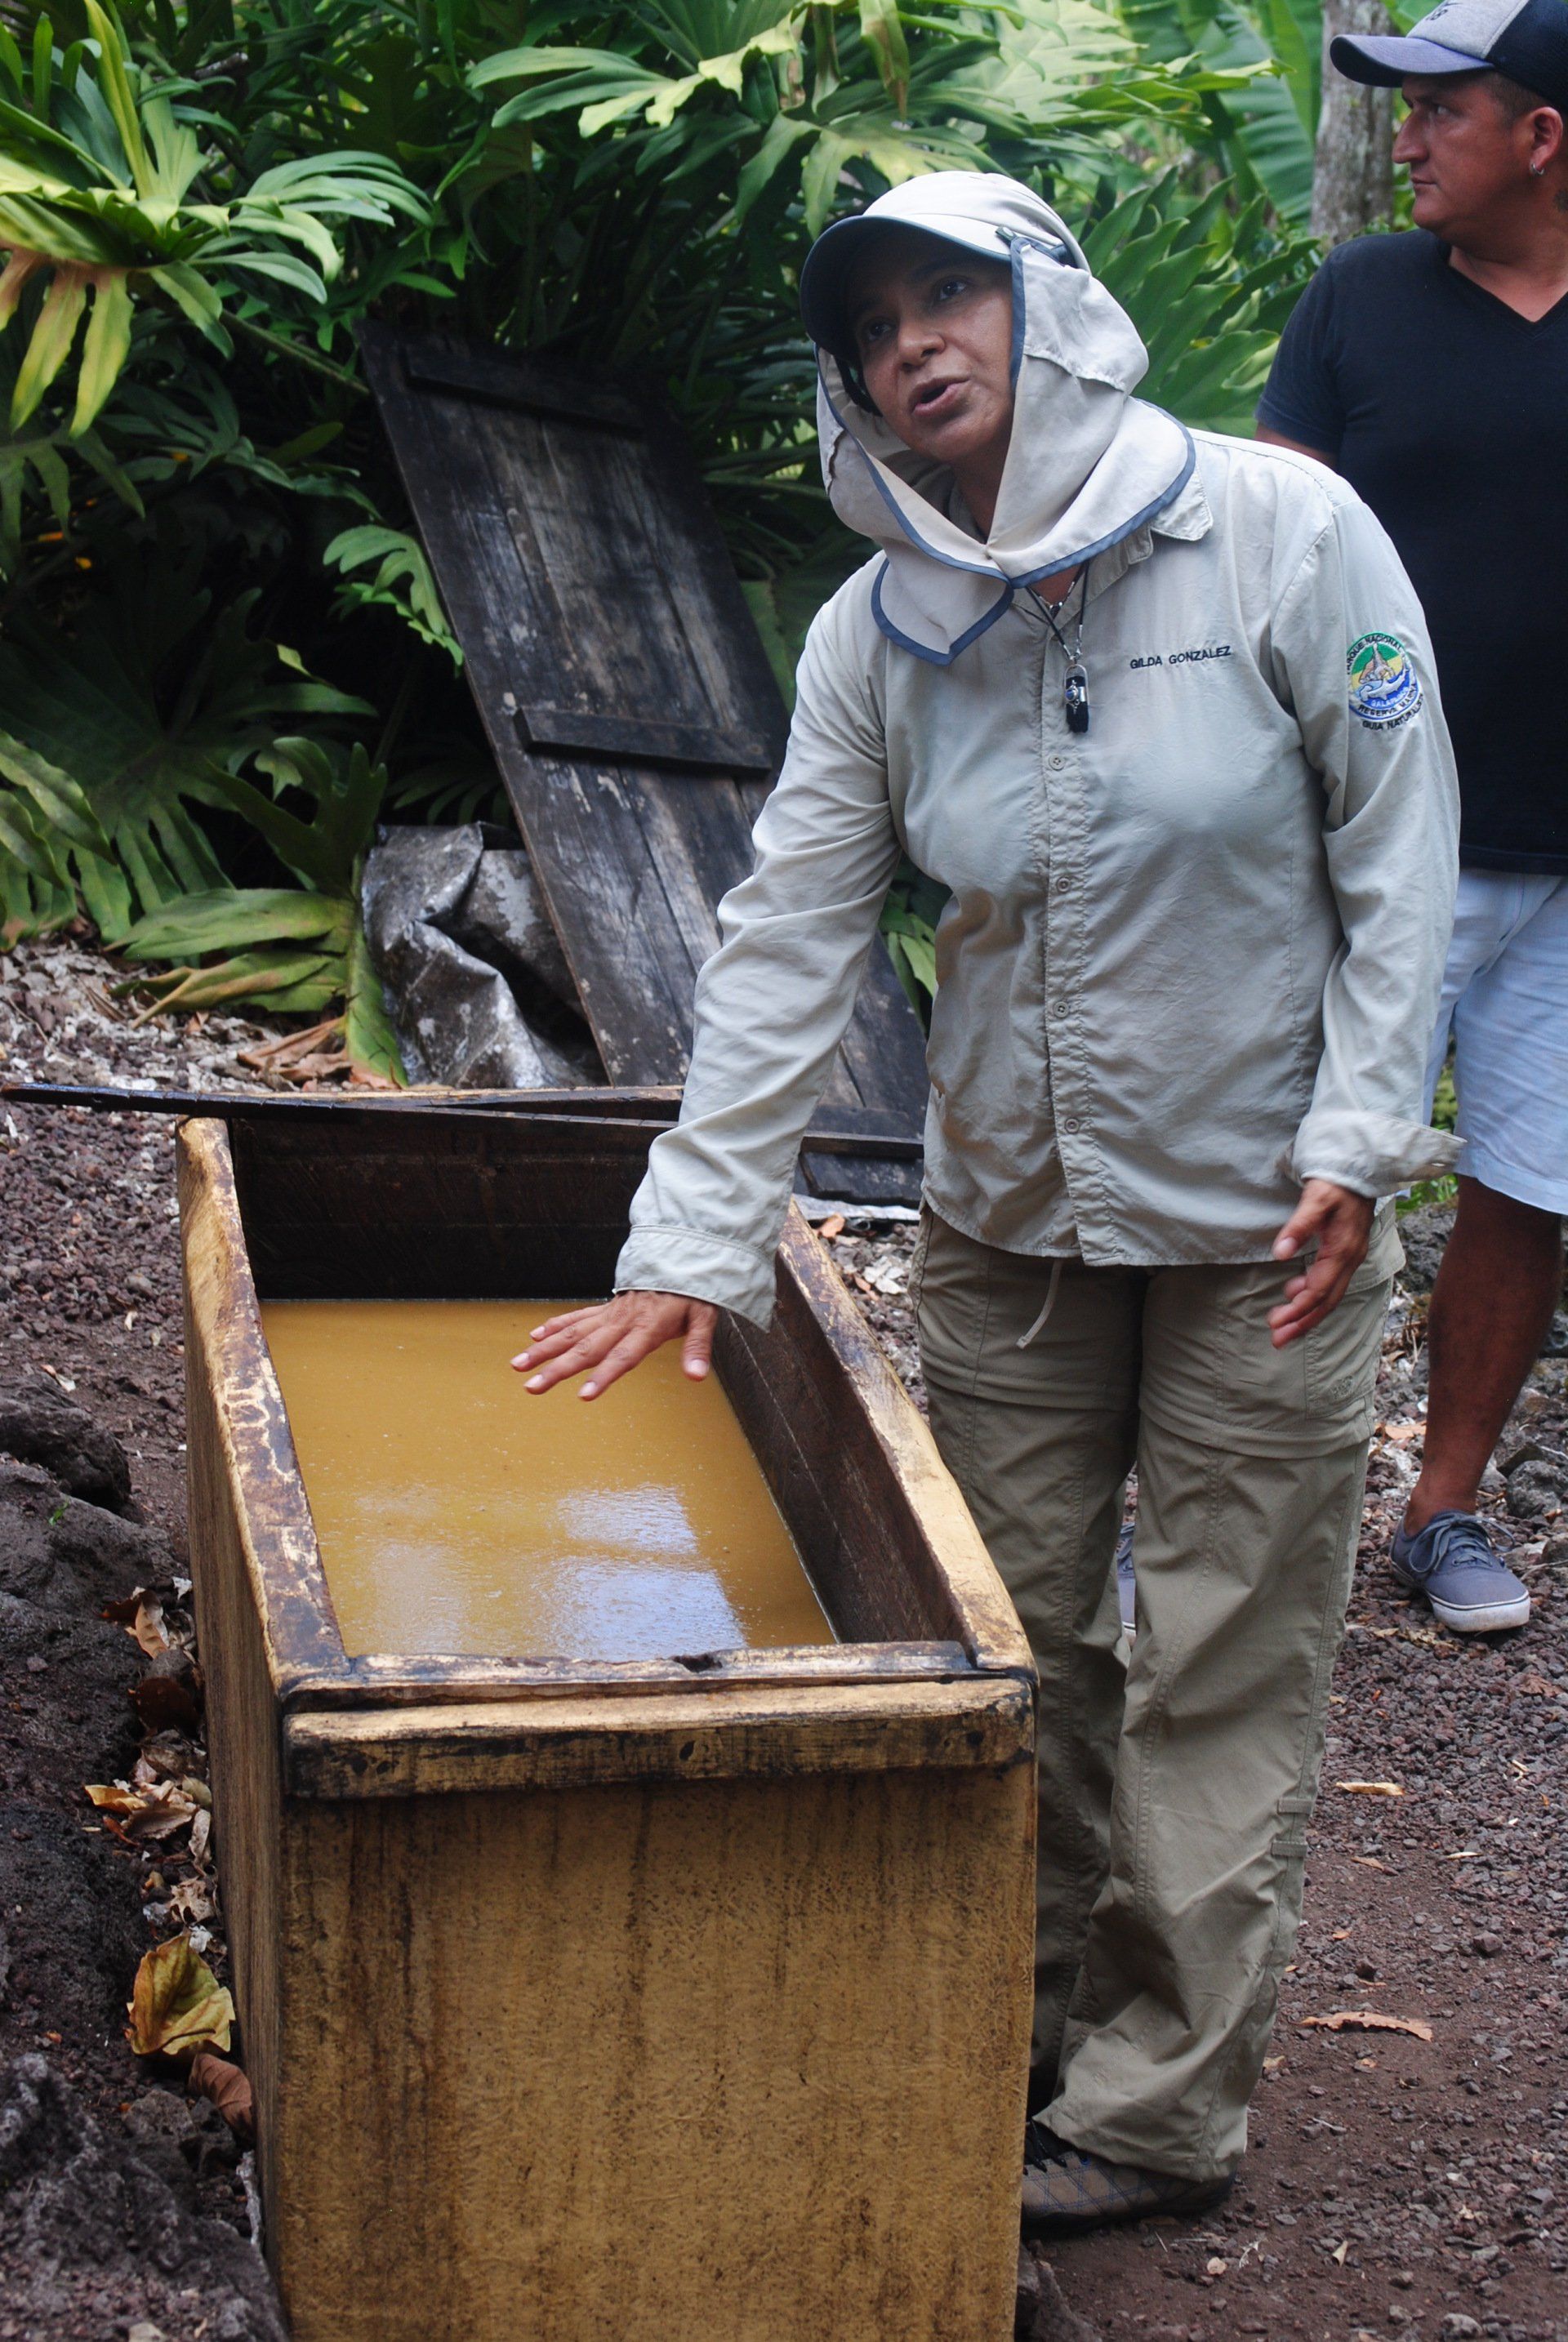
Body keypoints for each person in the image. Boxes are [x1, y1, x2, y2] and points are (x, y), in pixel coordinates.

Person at [514, 174, 1459, 2231]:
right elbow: (788, 932)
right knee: (1002, 1647)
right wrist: (691, 1243)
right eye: (871, 328)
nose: (912, 344)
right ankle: (995, 2034)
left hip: (1264, 1232)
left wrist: (1362, 1137)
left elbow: (1402, 850)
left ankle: (1150, 2112)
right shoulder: (884, 620)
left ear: (1051, 305)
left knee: (1224, 1657)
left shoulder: (1283, 531)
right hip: (1010, 1223)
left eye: (950, 295)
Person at [1257, 0, 1568, 1636]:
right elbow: (1258, 545)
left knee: (1533, 1186)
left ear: (1543, 137)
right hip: (1369, 846)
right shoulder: (1361, 300)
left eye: (1443, 109)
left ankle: (1443, 1508)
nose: (1407, 137)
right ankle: (1207, 1508)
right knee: (1283, 1161)